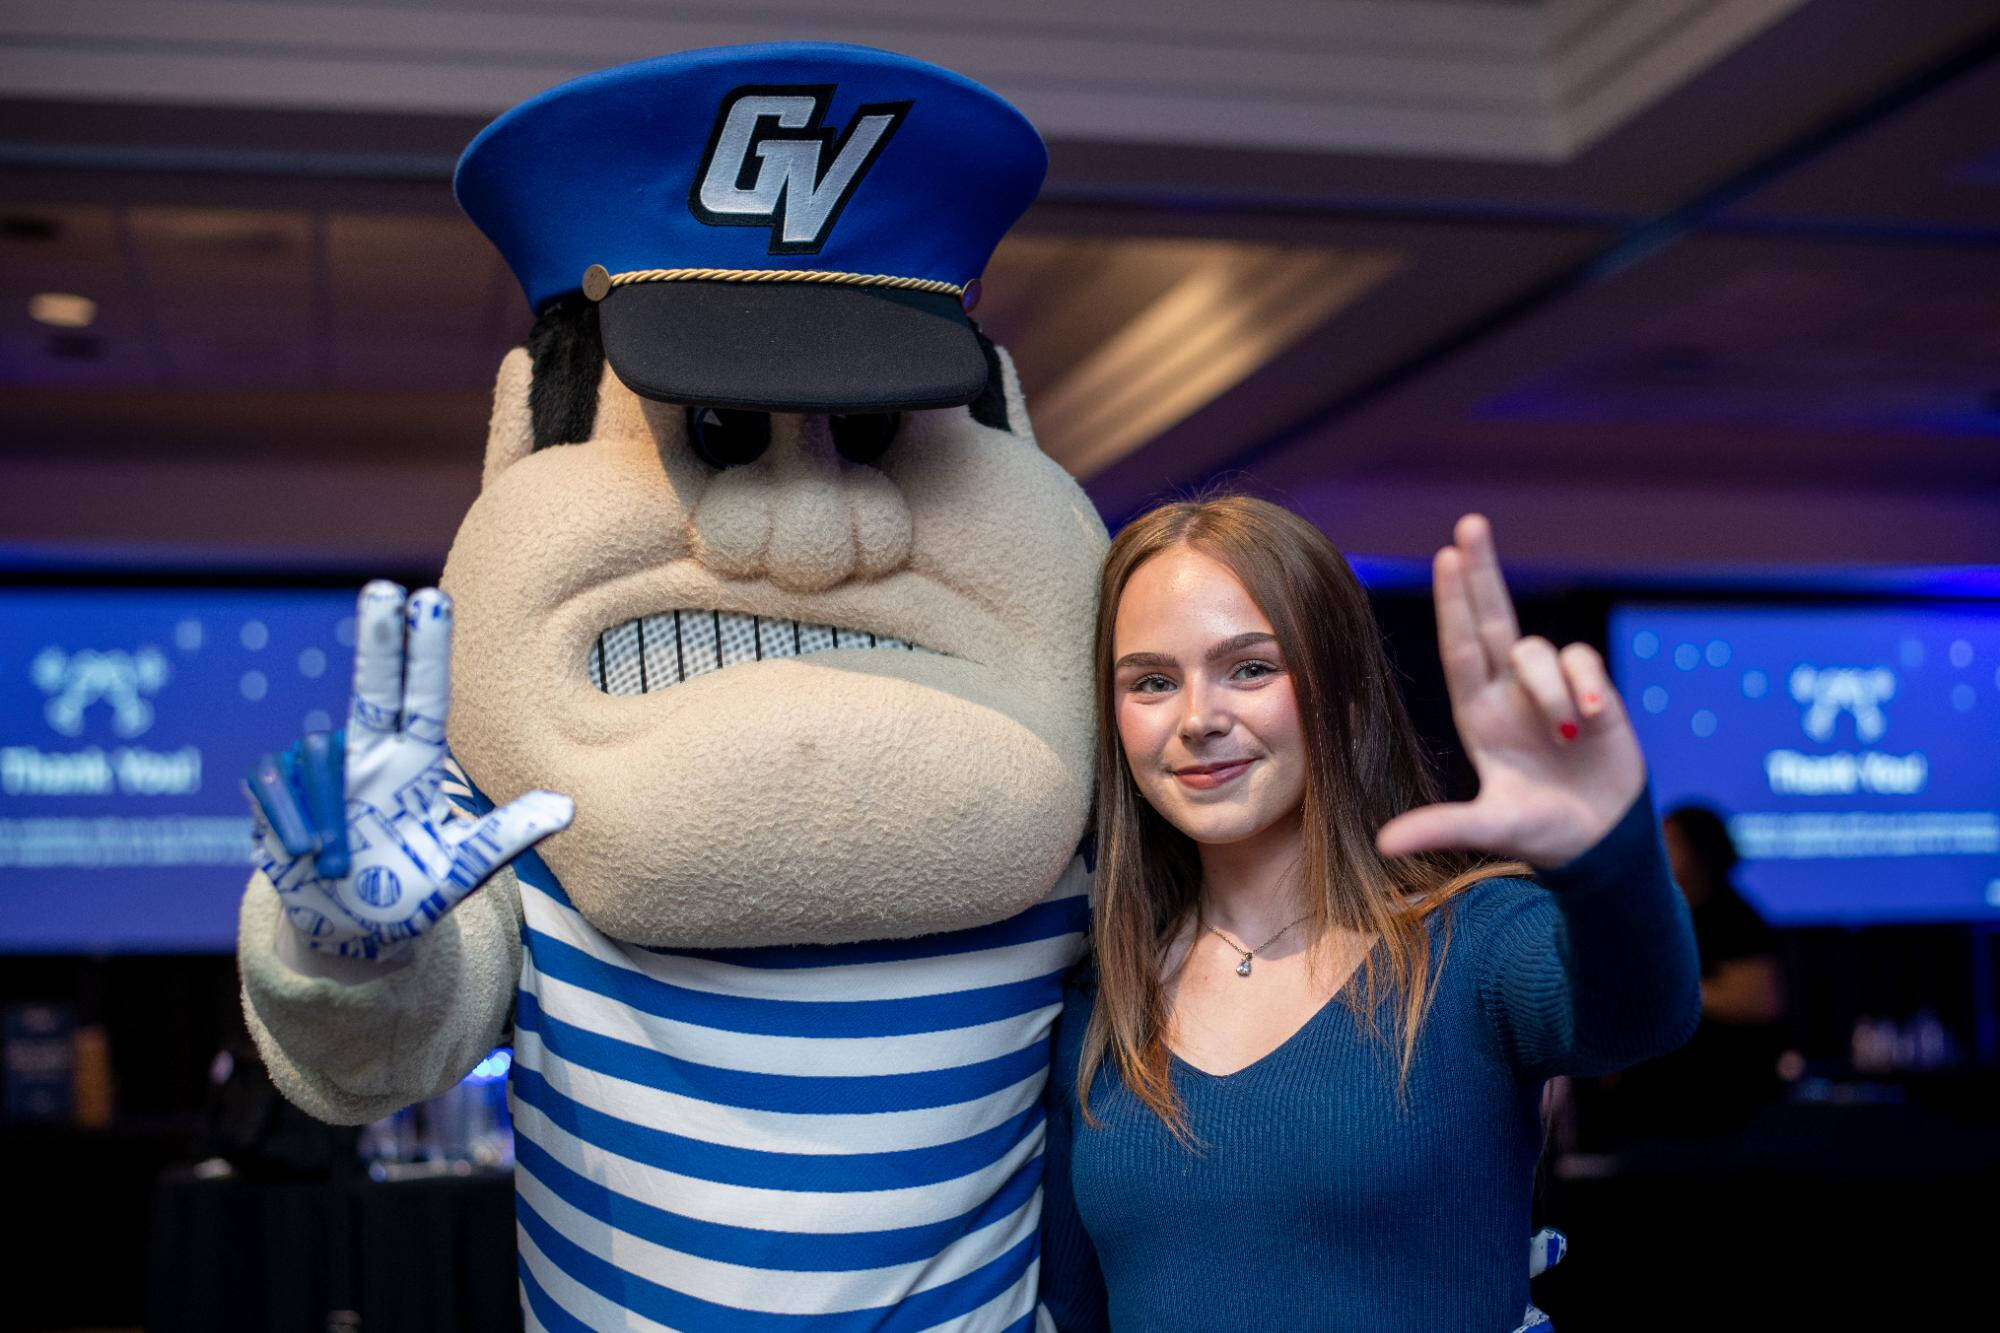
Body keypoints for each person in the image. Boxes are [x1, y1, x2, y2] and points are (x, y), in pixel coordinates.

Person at [1037, 497, 1701, 1331]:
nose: (1198, 718)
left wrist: (1607, 852)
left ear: (1342, 691)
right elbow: (1072, 1310)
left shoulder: (1473, 943)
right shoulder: (1101, 1002)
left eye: (1250, 667)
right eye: (1152, 681)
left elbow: (1645, 1015)